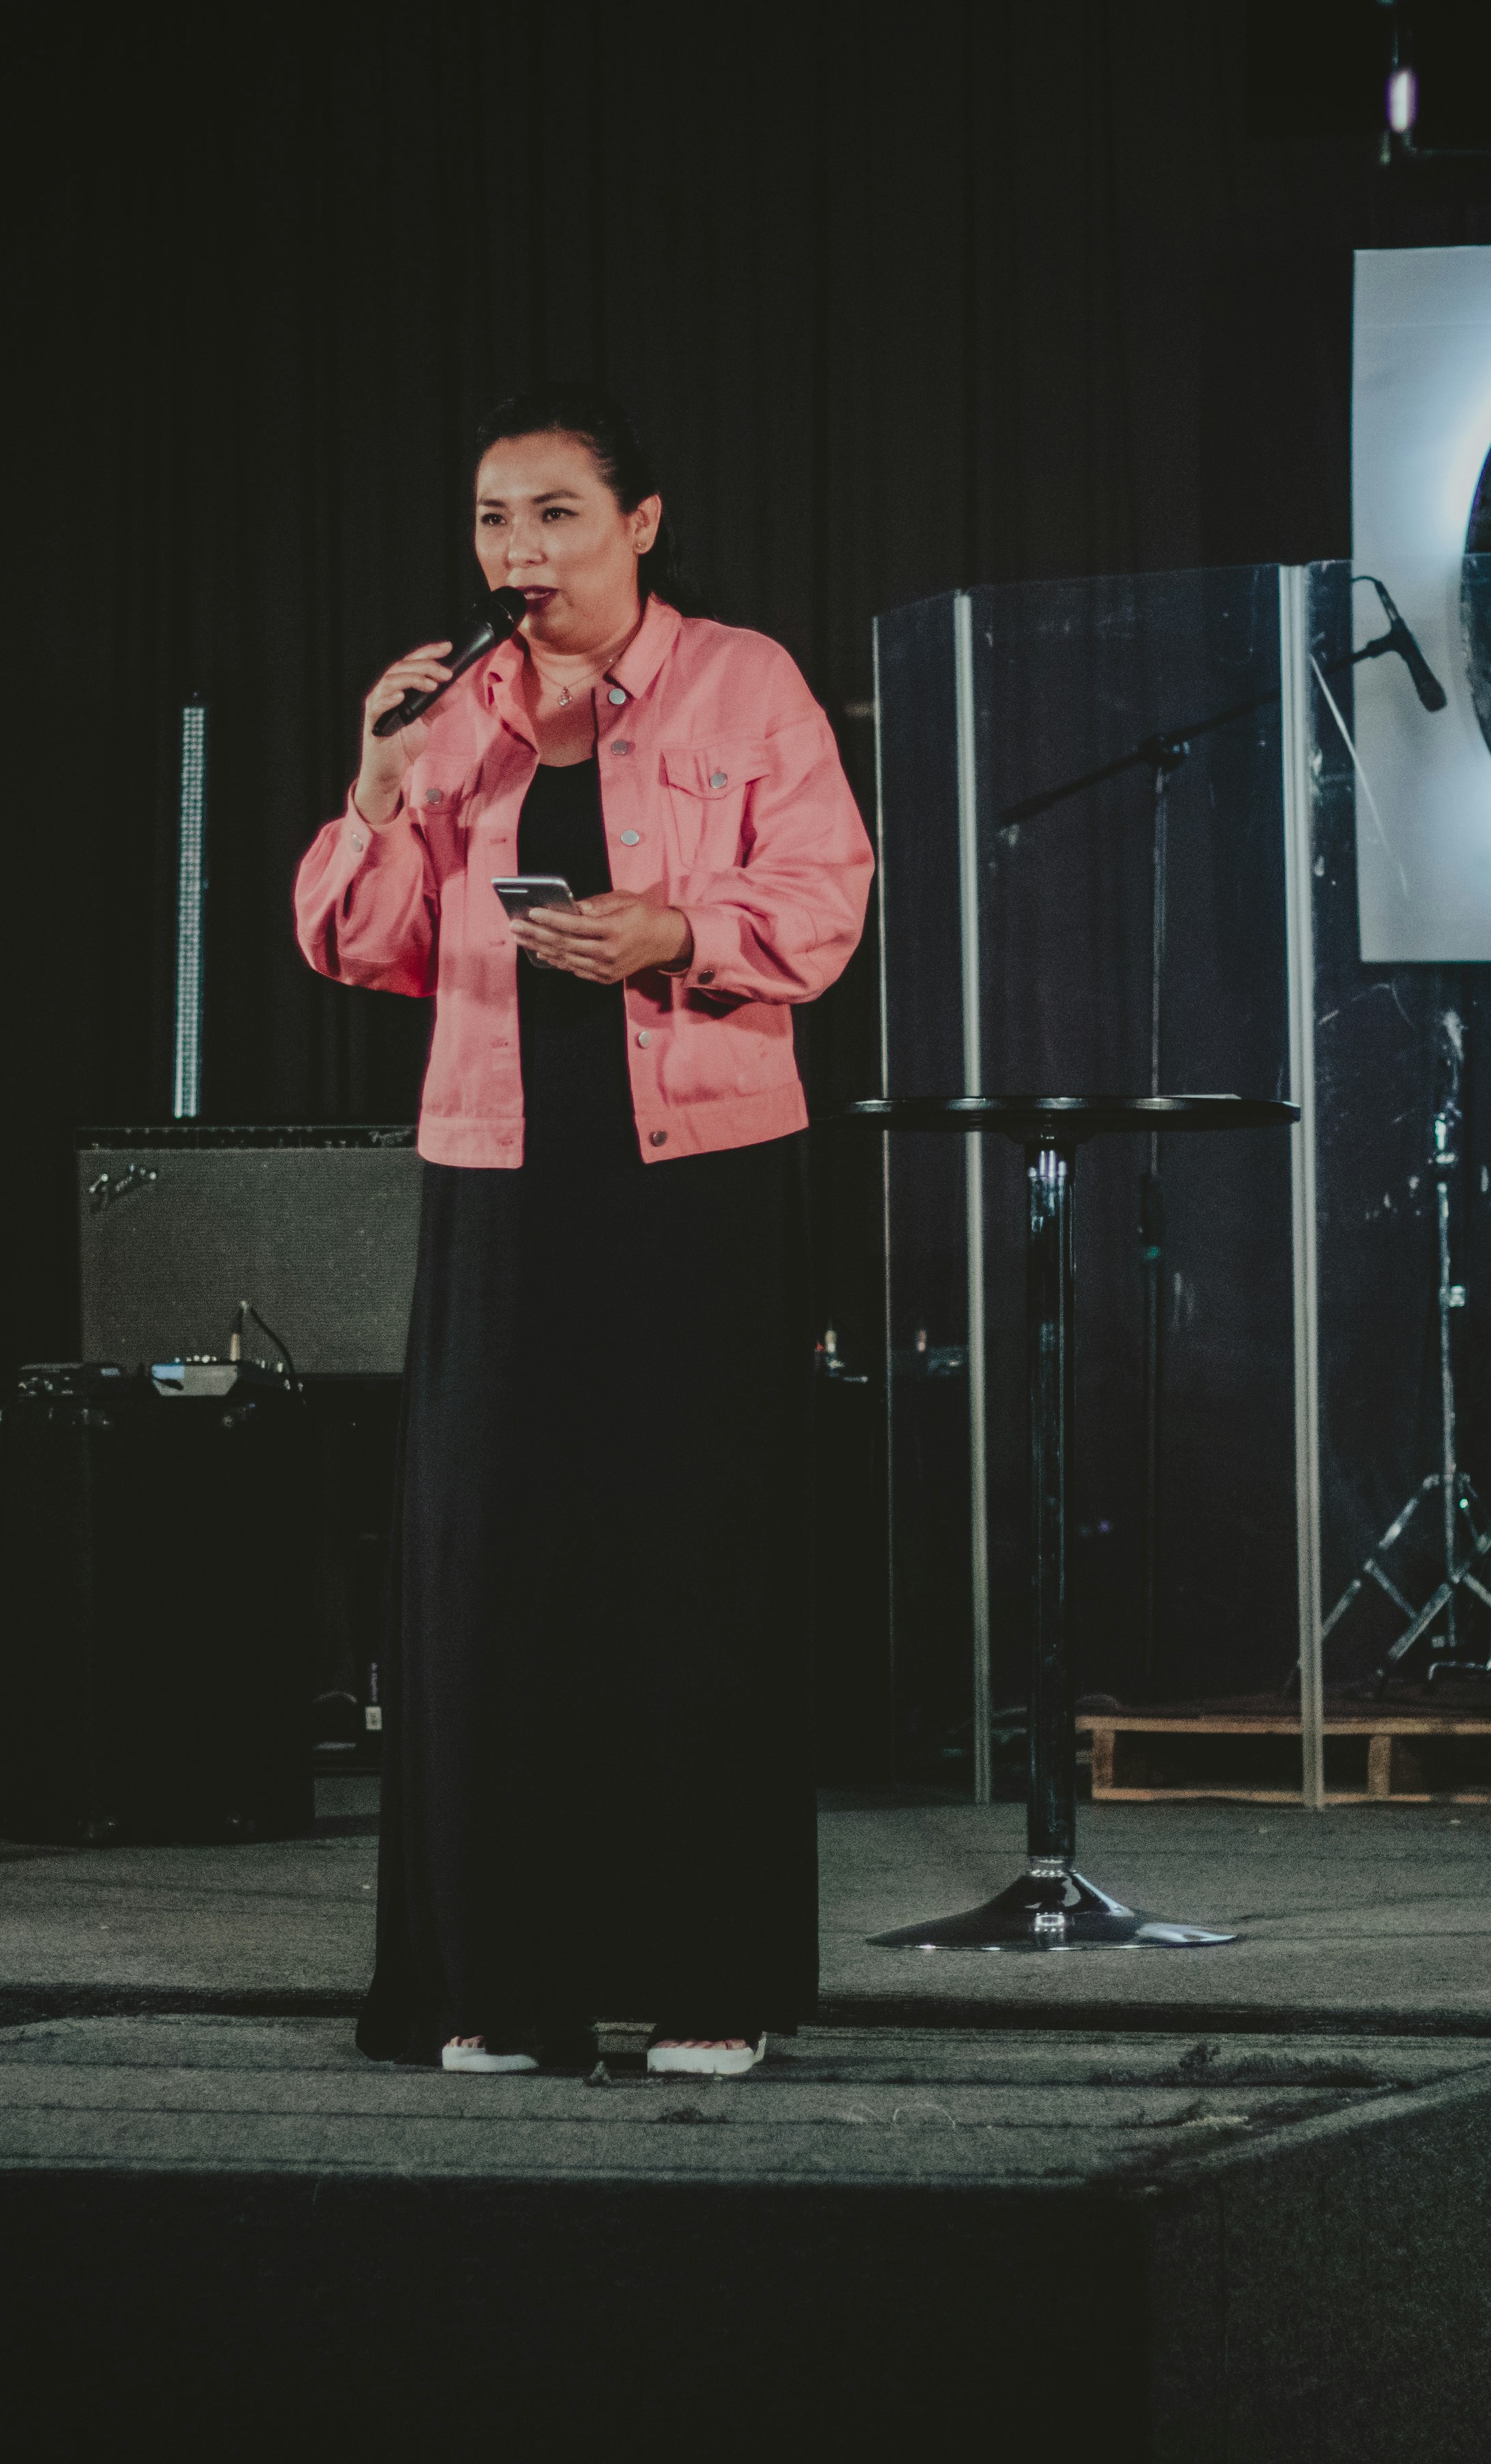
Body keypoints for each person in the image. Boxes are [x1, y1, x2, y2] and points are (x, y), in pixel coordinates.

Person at [294, 386, 873, 2079]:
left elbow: (825, 897)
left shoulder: (743, 680)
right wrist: (378, 779)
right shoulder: (454, 708)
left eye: (553, 513)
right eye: (492, 520)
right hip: (502, 1170)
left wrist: (677, 932)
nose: (518, 550)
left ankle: (707, 1982)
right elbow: (356, 946)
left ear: (641, 523)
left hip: (693, 1173)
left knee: (687, 1569)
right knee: (494, 1581)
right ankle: (500, 1984)